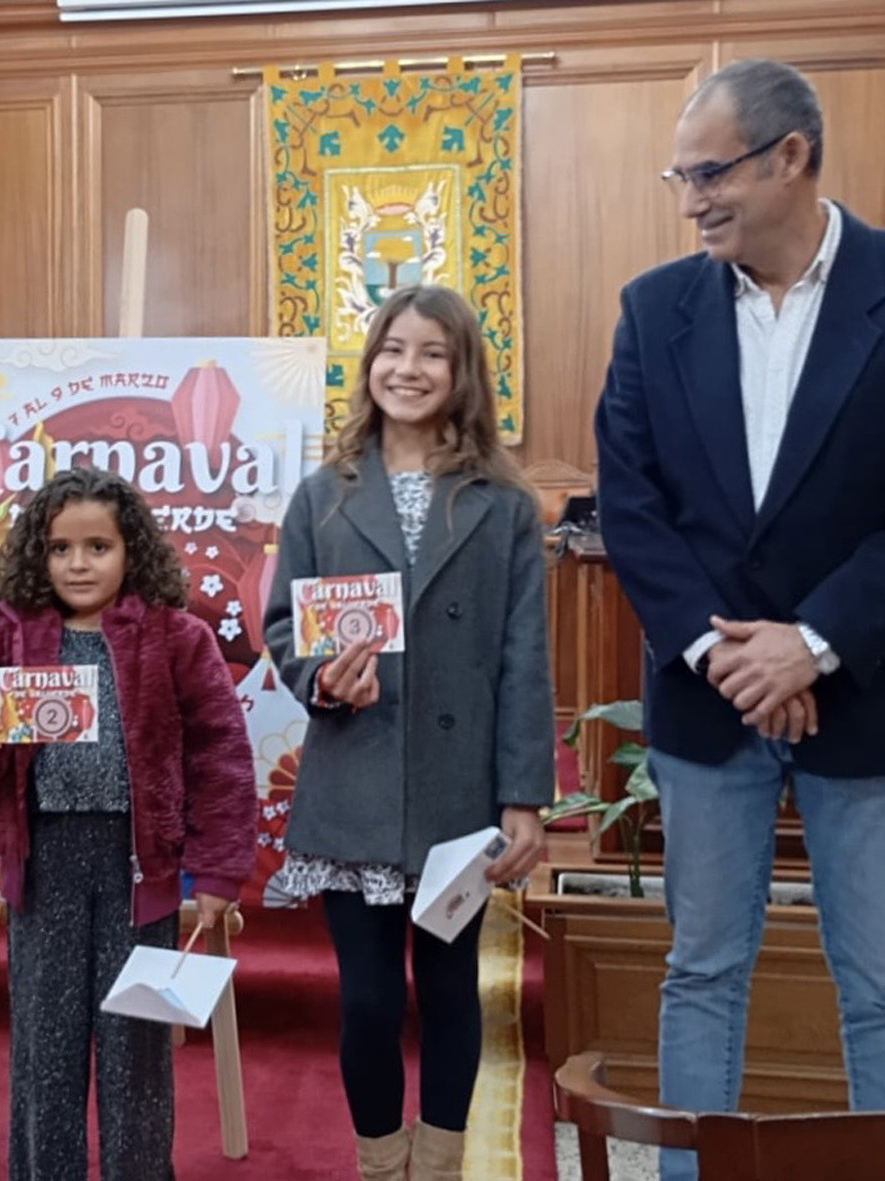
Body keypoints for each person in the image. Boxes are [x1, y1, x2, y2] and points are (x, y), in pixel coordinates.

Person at [593, 59, 885, 1180]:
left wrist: (809, 641)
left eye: (709, 172)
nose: (690, 201)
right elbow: (629, 504)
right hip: (706, 694)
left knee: (880, 984)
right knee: (699, 968)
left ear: (790, 155)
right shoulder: (652, 307)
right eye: (678, 177)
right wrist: (720, 651)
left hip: (862, 693)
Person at [262, 283, 554, 1181]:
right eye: (394, 349)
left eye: (434, 352)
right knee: (369, 1001)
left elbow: (524, 657)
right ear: (368, 365)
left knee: (450, 990)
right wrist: (321, 678)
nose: (410, 368)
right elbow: (285, 625)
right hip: (355, 777)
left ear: (463, 371)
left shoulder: (503, 506)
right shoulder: (322, 495)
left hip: (460, 792)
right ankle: (380, 1166)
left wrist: (524, 798)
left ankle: (442, 1168)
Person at [0, 465, 256, 1181]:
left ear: (131, 548)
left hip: (139, 870)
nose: (78, 563)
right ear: (37, 556)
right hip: (43, 867)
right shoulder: (10, 635)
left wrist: (222, 868)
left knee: (134, 1046)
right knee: (46, 1047)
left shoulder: (178, 636)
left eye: (98, 546)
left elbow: (222, 753)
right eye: (60, 548)